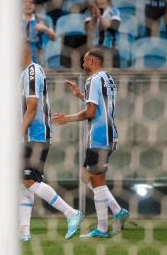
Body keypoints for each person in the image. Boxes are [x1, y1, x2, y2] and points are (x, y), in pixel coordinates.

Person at [52, 48, 129, 238]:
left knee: (96, 181)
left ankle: (103, 228)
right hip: (108, 135)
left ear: (93, 61)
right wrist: (80, 95)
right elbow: (98, 105)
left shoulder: (94, 79)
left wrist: (66, 119)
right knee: (87, 177)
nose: (82, 63)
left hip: (100, 136)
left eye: (85, 60)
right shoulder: (107, 78)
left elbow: (91, 112)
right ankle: (117, 211)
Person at [19, 41, 83, 242]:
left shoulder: (32, 71)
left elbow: (32, 106)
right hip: (28, 135)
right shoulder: (22, 74)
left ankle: (71, 213)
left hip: (35, 134)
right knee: (23, 183)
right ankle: (24, 232)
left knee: (29, 179)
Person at [85, 0, 121, 68]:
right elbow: (88, 30)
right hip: (94, 51)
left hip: (111, 51)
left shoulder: (114, 11)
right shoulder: (89, 12)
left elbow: (113, 29)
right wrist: (94, 16)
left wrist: (99, 16)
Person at [22, 0, 56, 65]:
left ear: (34, 6)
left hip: (37, 58)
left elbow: (54, 38)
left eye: (30, 2)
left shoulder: (41, 21)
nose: (28, 5)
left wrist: (45, 29)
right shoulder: (14, 22)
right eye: (25, 2)